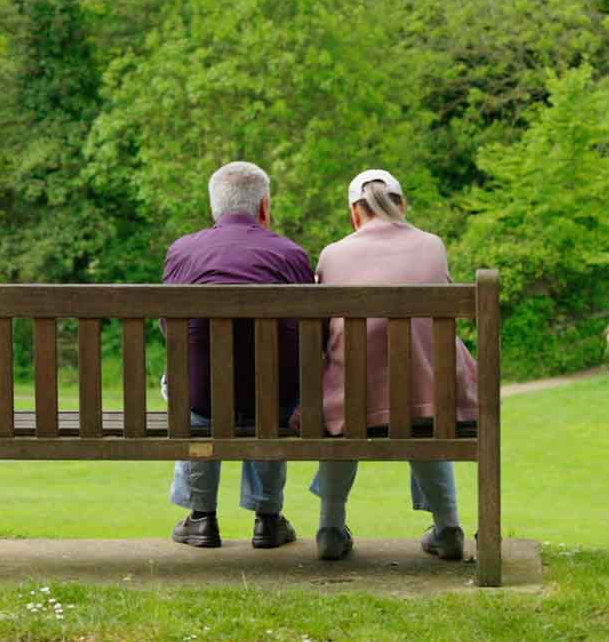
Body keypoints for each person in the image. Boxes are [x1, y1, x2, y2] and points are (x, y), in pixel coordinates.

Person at [310, 168, 478, 563]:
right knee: (422, 400)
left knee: (345, 392)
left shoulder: (333, 254)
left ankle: (330, 528)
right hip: (431, 399)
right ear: (402, 206)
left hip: (354, 403)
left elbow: (319, 333)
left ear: (355, 212)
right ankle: (448, 526)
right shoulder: (433, 245)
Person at [162, 160, 313, 549]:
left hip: (202, 400)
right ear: (264, 206)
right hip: (274, 402)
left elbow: (170, 331)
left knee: (184, 382)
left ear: (214, 208)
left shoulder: (182, 251)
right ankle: (267, 518)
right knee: (275, 385)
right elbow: (308, 333)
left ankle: (201, 517)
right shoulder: (290, 254)